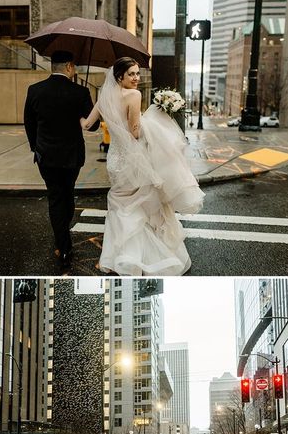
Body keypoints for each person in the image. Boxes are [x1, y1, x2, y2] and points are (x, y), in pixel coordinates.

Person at [80, 57, 205, 276]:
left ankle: (120, 256)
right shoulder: (134, 95)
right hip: (133, 159)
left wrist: (79, 115)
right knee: (141, 206)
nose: (137, 78)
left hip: (114, 160)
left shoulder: (103, 98)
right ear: (120, 76)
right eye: (132, 74)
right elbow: (135, 131)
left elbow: (87, 124)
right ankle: (141, 257)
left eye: (138, 73)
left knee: (120, 206)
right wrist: (156, 120)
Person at [24, 50, 100, 270]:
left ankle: (62, 239)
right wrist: (82, 115)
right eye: (73, 66)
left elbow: (29, 123)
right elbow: (93, 125)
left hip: (45, 156)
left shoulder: (35, 90)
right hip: (72, 157)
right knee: (67, 193)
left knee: (56, 196)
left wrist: (35, 149)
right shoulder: (80, 92)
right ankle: (63, 242)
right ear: (69, 66)